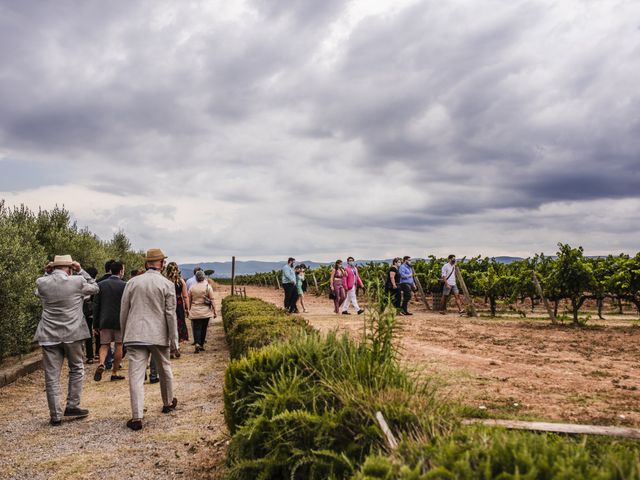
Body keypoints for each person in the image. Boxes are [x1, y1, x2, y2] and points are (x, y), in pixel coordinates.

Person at [34, 255, 99, 426]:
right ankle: (72, 405)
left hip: (48, 335)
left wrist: (47, 274)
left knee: (51, 376)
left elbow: (37, 293)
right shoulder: (77, 281)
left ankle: (55, 415)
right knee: (76, 369)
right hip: (73, 333)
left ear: (53, 267)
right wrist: (81, 270)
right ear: (70, 268)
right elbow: (95, 288)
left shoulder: (42, 282)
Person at [120, 248, 179, 431]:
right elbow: (171, 314)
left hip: (135, 333)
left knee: (136, 375)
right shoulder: (167, 284)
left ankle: (137, 416)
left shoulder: (132, 282)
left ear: (147, 263)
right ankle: (168, 402)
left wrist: (124, 335)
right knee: (164, 368)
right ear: (161, 264)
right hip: (158, 334)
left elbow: (124, 311)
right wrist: (174, 341)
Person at [93, 261, 126, 382]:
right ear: (121, 271)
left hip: (104, 319)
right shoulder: (124, 285)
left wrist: (95, 324)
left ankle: (101, 363)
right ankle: (115, 372)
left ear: (110, 270)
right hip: (119, 320)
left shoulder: (100, 285)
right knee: (118, 344)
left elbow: (96, 305)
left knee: (104, 344)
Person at [188, 270, 217, 353]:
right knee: (204, 329)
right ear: (203, 277)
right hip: (205, 312)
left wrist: (188, 310)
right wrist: (215, 311)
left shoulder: (192, 287)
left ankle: (197, 343)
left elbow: (189, 301)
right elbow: (212, 300)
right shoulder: (208, 286)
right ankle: (201, 345)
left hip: (195, 311)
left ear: (196, 278)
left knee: (196, 328)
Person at [165, 262, 190, 347]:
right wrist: (187, 308)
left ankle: (170, 346)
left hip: (167, 304)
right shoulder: (181, 281)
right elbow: (185, 296)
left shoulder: (164, 281)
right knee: (178, 324)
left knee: (168, 324)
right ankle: (177, 346)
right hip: (178, 304)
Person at [82, 266, 99, 364]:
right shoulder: (94, 284)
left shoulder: (82, 283)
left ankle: (90, 356)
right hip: (93, 311)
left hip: (83, 312)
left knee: (87, 334)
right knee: (97, 333)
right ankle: (97, 352)